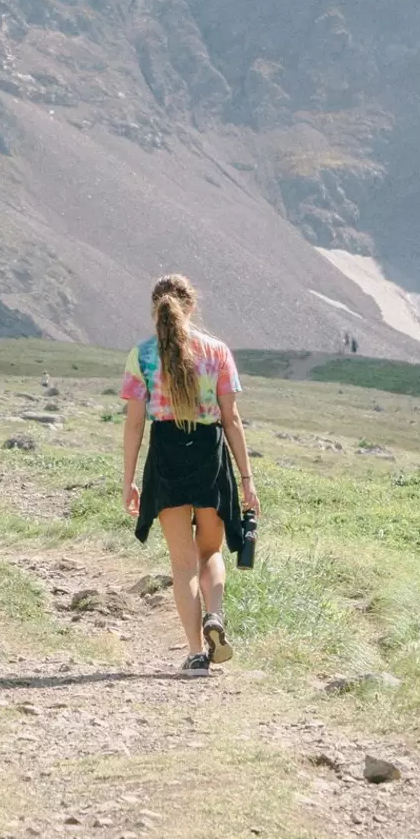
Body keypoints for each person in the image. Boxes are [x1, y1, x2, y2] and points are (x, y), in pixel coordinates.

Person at [120, 274, 259, 676]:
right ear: (191, 307)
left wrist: (129, 480)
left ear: (155, 310)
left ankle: (198, 653)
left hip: (165, 454)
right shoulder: (217, 353)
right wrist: (247, 480)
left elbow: (133, 426)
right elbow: (231, 419)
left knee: (182, 564)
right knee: (210, 552)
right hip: (209, 453)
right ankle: (214, 615)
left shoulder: (142, 356)